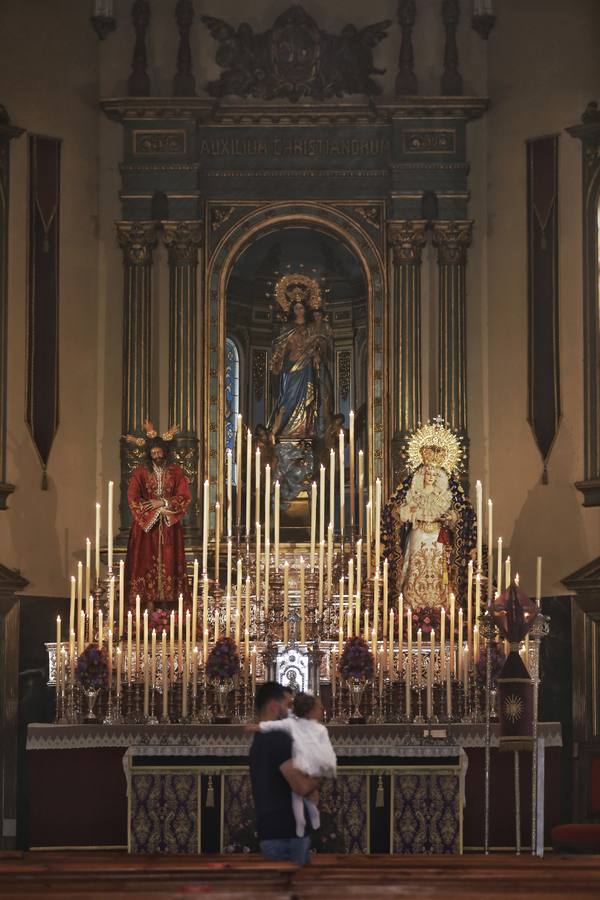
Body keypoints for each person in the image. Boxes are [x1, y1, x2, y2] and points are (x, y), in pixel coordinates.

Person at [248, 682, 321, 865]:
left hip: (271, 830)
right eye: (288, 705)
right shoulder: (277, 738)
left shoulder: (261, 737)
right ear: (274, 705)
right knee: (294, 890)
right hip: (287, 834)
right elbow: (301, 786)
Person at [247, 692, 336, 838]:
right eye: (319, 707)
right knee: (299, 794)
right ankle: (301, 821)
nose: (322, 710)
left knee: (306, 796)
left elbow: (325, 747)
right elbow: (275, 725)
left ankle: (311, 817)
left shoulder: (320, 729)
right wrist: (258, 727)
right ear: (310, 711)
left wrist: (325, 764)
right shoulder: (292, 724)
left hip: (311, 762)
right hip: (303, 762)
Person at [124, 426, 192, 608]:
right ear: (149, 454)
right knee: (145, 564)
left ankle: (169, 608)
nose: (157, 455)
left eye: (159, 452)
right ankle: (146, 606)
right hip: (146, 528)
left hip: (169, 526)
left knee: (170, 563)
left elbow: (185, 496)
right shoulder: (140, 472)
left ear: (165, 452)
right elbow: (133, 498)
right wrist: (151, 512)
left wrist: (162, 503)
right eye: (153, 452)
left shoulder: (176, 472)